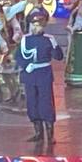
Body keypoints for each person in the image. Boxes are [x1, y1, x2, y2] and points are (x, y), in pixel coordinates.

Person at [18, 9, 62, 145]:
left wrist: (55, 46)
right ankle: (38, 133)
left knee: (46, 103)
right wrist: (25, 66)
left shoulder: (48, 39)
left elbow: (59, 57)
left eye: (39, 25)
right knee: (32, 103)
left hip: (44, 74)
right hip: (30, 75)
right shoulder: (25, 39)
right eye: (34, 24)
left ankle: (50, 134)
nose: (36, 27)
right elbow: (19, 57)